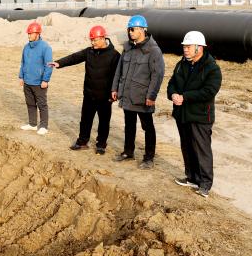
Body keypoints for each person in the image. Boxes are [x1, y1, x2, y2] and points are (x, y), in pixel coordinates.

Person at [48, 25, 120, 155]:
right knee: (85, 119)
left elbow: (119, 76)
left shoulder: (114, 55)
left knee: (104, 122)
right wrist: (59, 63)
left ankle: (101, 144)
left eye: (95, 40)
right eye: (91, 40)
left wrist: (116, 92)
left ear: (103, 38)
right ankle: (82, 142)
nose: (93, 42)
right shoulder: (89, 52)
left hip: (105, 96)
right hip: (89, 94)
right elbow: (74, 57)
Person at [167, 31, 222, 198]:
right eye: (184, 46)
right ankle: (191, 177)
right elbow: (172, 83)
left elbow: (209, 91)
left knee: (202, 149)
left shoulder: (211, 68)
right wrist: (173, 95)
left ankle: (205, 183)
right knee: (187, 147)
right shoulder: (182, 64)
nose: (185, 49)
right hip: (182, 114)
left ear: (200, 47)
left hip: (200, 116)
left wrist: (185, 97)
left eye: (188, 46)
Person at [111, 15, 165, 169]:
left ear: (143, 30)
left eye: (133, 29)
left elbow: (157, 75)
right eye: (129, 29)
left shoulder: (153, 51)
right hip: (127, 94)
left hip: (143, 97)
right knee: (129, 125)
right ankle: (128, 152)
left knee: (147, 127)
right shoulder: (127, 48)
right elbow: (119, 70)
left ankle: (149, 158)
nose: (130, 32)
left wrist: (151, 96)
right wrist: (115, 88)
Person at [19, 21, 53, 135]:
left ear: (37, 33)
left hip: (39, 83)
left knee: (42, 104)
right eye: (28, 33)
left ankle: (44, 126)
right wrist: (21, 77)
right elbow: (23, 63)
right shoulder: (26, 47)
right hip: (27, 81)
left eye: (31, 33)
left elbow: (48, 65)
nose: (29, 35)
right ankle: (32, 124)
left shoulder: (45, 47)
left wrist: (45, 80)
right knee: (30, 103)